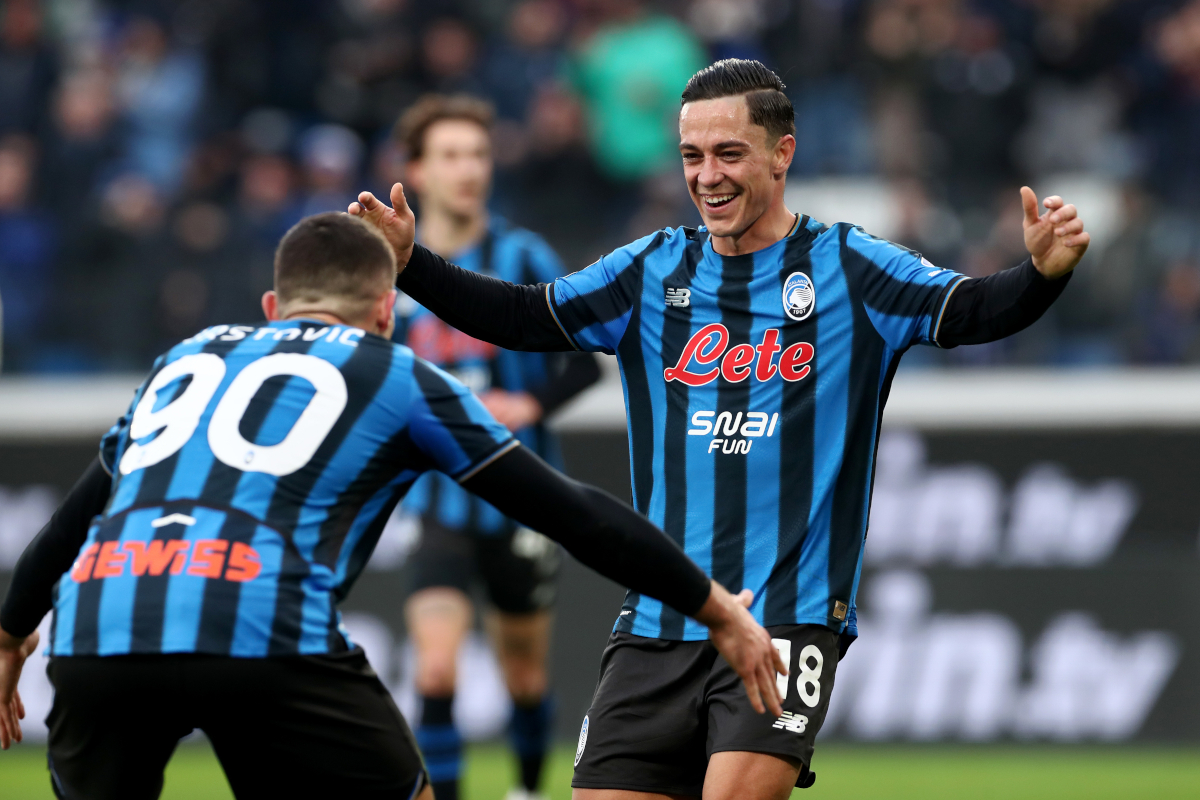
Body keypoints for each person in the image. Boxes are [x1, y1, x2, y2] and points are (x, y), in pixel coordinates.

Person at [348, 59, 1091, 799]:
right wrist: (412, 265)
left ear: (782, 152)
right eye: (692, 157)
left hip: (787, 622)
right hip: (657, 621)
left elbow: (969, 311)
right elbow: (521, 317)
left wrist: (1040, 277)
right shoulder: (650, 269)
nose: (708, 176)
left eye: (729, 153)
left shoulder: (851, 267)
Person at [0, 212, 786, 799]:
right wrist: (712, 606)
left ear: (275, 306)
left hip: (98, 630)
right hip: (262, 630)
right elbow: (570, 513)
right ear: (386, 311)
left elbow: (73, 520)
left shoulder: (187, 356)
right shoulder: (396, 373)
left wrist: (7, 638)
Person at [393, 94, 601, 800]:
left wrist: (530, 402)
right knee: (435, 672)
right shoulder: (392, 274)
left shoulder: (523, 256)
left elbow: (583, 358)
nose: (469, 169)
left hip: (521, 504)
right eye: (451, 155)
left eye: (479, 154)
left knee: (524, 676)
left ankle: (526, 790)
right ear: (417, 171)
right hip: (440, 504)